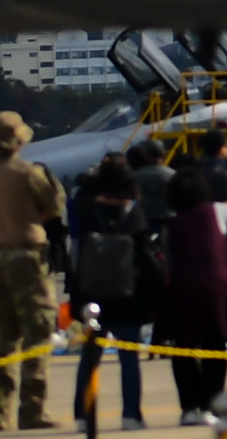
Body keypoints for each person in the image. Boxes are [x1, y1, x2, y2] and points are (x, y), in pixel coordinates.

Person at [0, 110, 65, 430]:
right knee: (38, 333)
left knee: (4, 337)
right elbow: (53, 207)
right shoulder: (27, 172)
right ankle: (32, 409)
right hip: (26, 256)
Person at [72, 157, 156, 431]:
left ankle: (84, 416)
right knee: (128, 358)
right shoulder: (134, 215)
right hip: (127, 294)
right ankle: (131, 414)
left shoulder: (85, 210)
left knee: (90, 357)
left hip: (92, 294)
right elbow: (144, 258)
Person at [159, 171, 227, 425]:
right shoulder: (217, 211)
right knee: (215, 345)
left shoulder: (173, 223)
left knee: (183, 347)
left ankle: (189, 407)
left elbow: (168, 259)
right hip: (217, 286)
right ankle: (211, 404)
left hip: (183, 287)